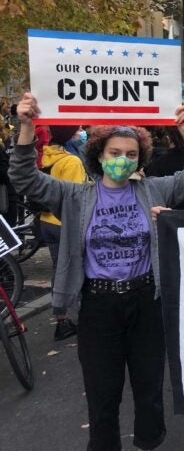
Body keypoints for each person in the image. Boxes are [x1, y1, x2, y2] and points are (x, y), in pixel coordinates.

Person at [9, 93, 184, 451]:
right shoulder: (74, 195)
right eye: (115, 152)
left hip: (146, 298)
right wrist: (25, 127)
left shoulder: (153, 190)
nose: (123, 160)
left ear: (141, 158)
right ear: (99, 154)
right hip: (98, 305)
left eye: (132, 154)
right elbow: (23, 177)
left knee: (150, 385)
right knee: (103, 389)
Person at [40, 125, 89, 340]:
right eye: (77, 129)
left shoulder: (47, 156)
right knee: (79, 267)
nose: (81, 132)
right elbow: (76, 196)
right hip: (65, 223)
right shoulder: (72, 161)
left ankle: (61, 318)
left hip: (46, 220)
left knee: (58, 269)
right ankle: (85, 316)